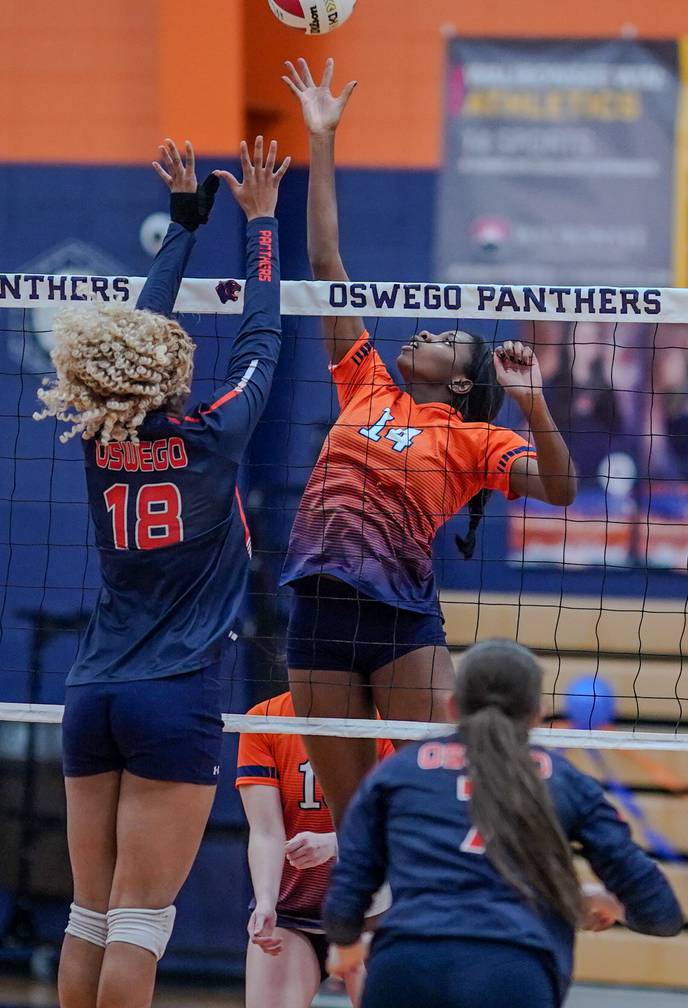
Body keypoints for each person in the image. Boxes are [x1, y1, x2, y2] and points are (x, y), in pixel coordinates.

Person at [280, 57, 577, 826]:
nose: (426, 332)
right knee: (352, 824)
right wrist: (322, 141)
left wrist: (534, 407)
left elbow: (561, 489)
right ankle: (358, 944)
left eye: (446, 336)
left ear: (457, 382)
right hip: (316, 610)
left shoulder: (475, 439)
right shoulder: (365, 382)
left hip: (400, 623)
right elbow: (324, 266)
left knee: (428, 811)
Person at [35, 136, 290, 1008]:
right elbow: (263, 332)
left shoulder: (100, 438)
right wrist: (261, 227)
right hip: (173, 693)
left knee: (88, 916)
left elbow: (132, 341)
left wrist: (182, 228)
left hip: (94, 689)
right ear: (171, 374)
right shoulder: (214, 436)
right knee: (141, 921)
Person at [323, 640, 684, 1008]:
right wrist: (606, 903)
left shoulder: (397, 772)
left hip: (406, 966)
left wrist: (346, 946)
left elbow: (348, 889)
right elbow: (661, 913)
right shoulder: (566, 782)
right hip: (513, 970)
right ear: (537, 714)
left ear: (452, 707)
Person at [236, 691, 392, 1008]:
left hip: (374, 913)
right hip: (294, 913)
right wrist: (266, 901)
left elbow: (396, 827)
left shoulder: (386, 721)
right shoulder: (266, 718)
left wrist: (334, 844)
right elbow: (265, 830)